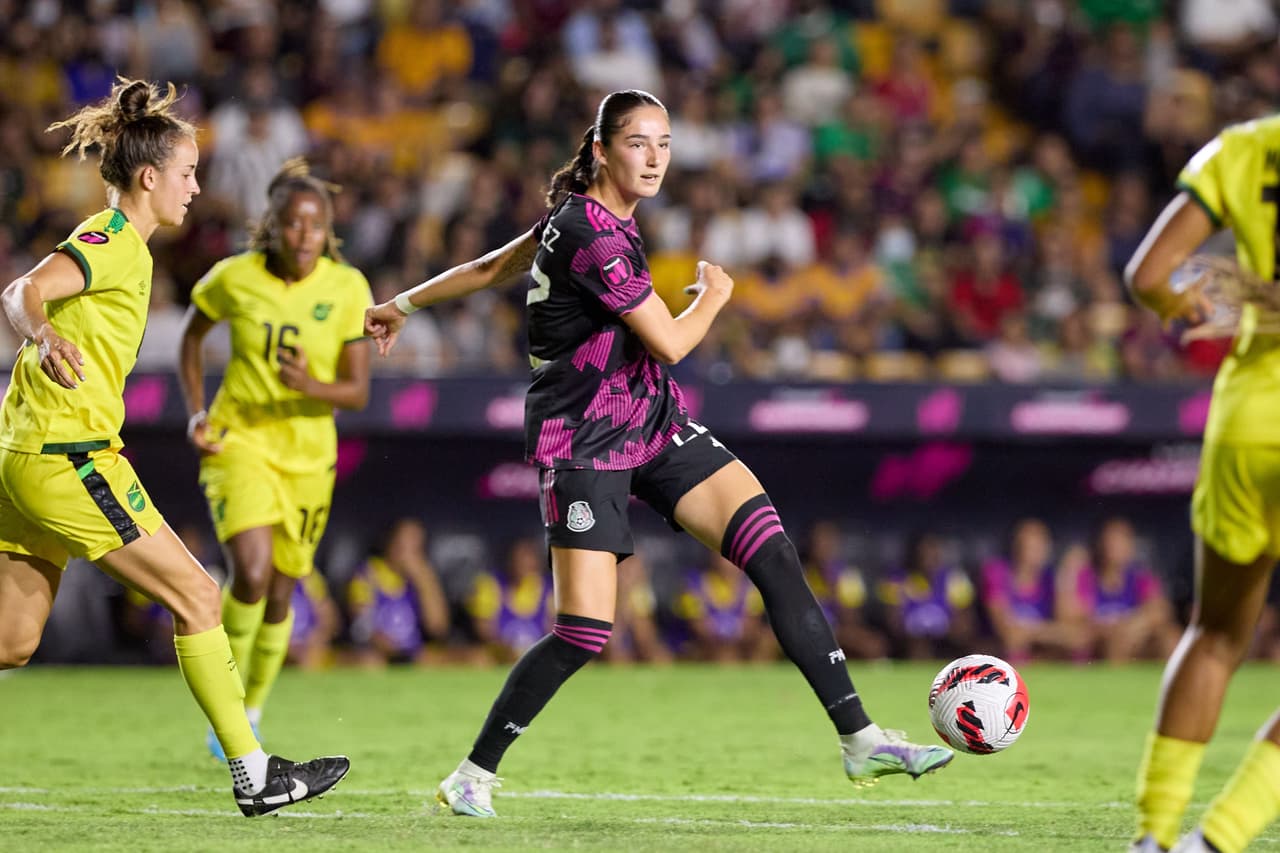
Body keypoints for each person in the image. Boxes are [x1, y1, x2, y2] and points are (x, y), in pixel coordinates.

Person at [365, 88, 952, 819]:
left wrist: (402, 302)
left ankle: (859, 736)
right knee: (583, 631)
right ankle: (472, 773)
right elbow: (670, 340)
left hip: (650, 419)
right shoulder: (593, 233)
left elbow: (493, 265)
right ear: (603, 149)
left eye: (666, 144)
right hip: (581, 439)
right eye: (640, 142)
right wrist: (714, 295)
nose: (655, 158)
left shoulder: (585, 218)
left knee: (771, 548)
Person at [0, 78, 347, 816]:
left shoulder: (129, 248)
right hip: (70, 456)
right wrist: (44, 329)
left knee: (13, 639)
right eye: (188, 173)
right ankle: (255, 774)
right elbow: (18, 293)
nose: (197, 187)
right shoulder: (113, 238)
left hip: (31, 455)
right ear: (151, 177)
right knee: (197, 594)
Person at [178, 157, 372, 760]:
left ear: (328, 230)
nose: (304, 235)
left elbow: (358, 391)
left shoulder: (347, 287)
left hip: (310, 455)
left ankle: (253, 707)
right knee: (253, 575)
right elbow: (191, 338)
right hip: (241, 442)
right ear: (273, 226)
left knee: (284, 595)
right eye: (293, 224)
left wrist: (309, 385)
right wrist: (196, 412)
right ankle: (228, 710)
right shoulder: (233, 278)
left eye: (315, 225)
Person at [1124, 112, 1280, 853]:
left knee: (1215, 634)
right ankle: (1215, 841)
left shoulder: (1245, 147)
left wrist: (1198, 304)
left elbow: (1149, 276)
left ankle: (1152, 837)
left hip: (1248, 413)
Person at [346, 517, 452, 666]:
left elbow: (438, 628)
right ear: (390, 543)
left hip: (415, 653)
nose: (407, 555)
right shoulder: (368, 574)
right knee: (370, 663)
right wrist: (391, 649)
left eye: (415, 549)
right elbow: (361, 625)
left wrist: (425, 583)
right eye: (403, 545)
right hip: (379, 652)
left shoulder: (423, 578)